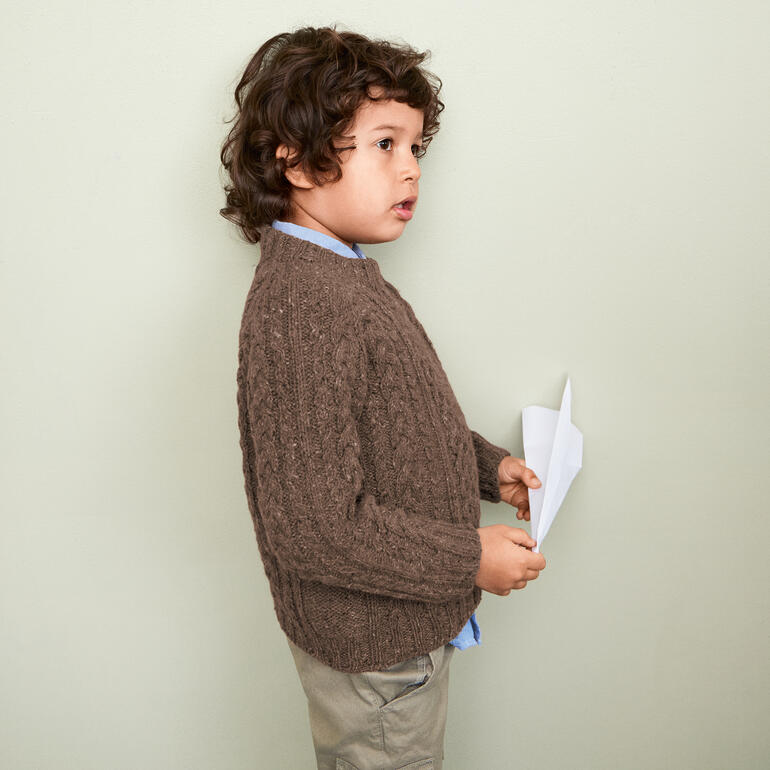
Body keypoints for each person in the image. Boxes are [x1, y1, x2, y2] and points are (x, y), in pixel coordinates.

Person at [220, 24, 547, 770]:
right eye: (385, 145)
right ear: (296, 161)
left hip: (396, 646)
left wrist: (488, 468)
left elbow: (400, 422)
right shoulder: (304, 303)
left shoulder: (341, 277)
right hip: (376, 669)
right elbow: (313, 527)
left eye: (416, 148)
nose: (413, 171)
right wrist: (468, 555)